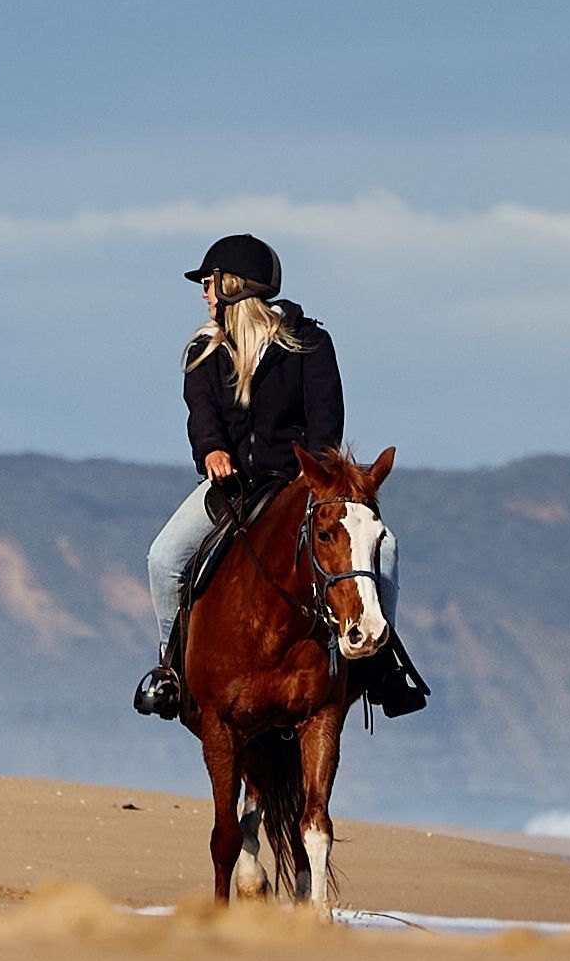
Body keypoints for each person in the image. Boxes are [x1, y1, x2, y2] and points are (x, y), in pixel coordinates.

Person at [132, 230, 426, 721]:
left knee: (386, 548)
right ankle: (173, 669)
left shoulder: (311, 343)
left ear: (231, 286)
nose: (203, 293)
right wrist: (212, 452)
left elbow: (326, 421)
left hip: (300, 486)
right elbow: (200, 416)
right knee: (163, 559)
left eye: (207, 282)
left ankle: (381, 665)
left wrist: (310, 478)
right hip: (231, 488)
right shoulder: (202, 351)